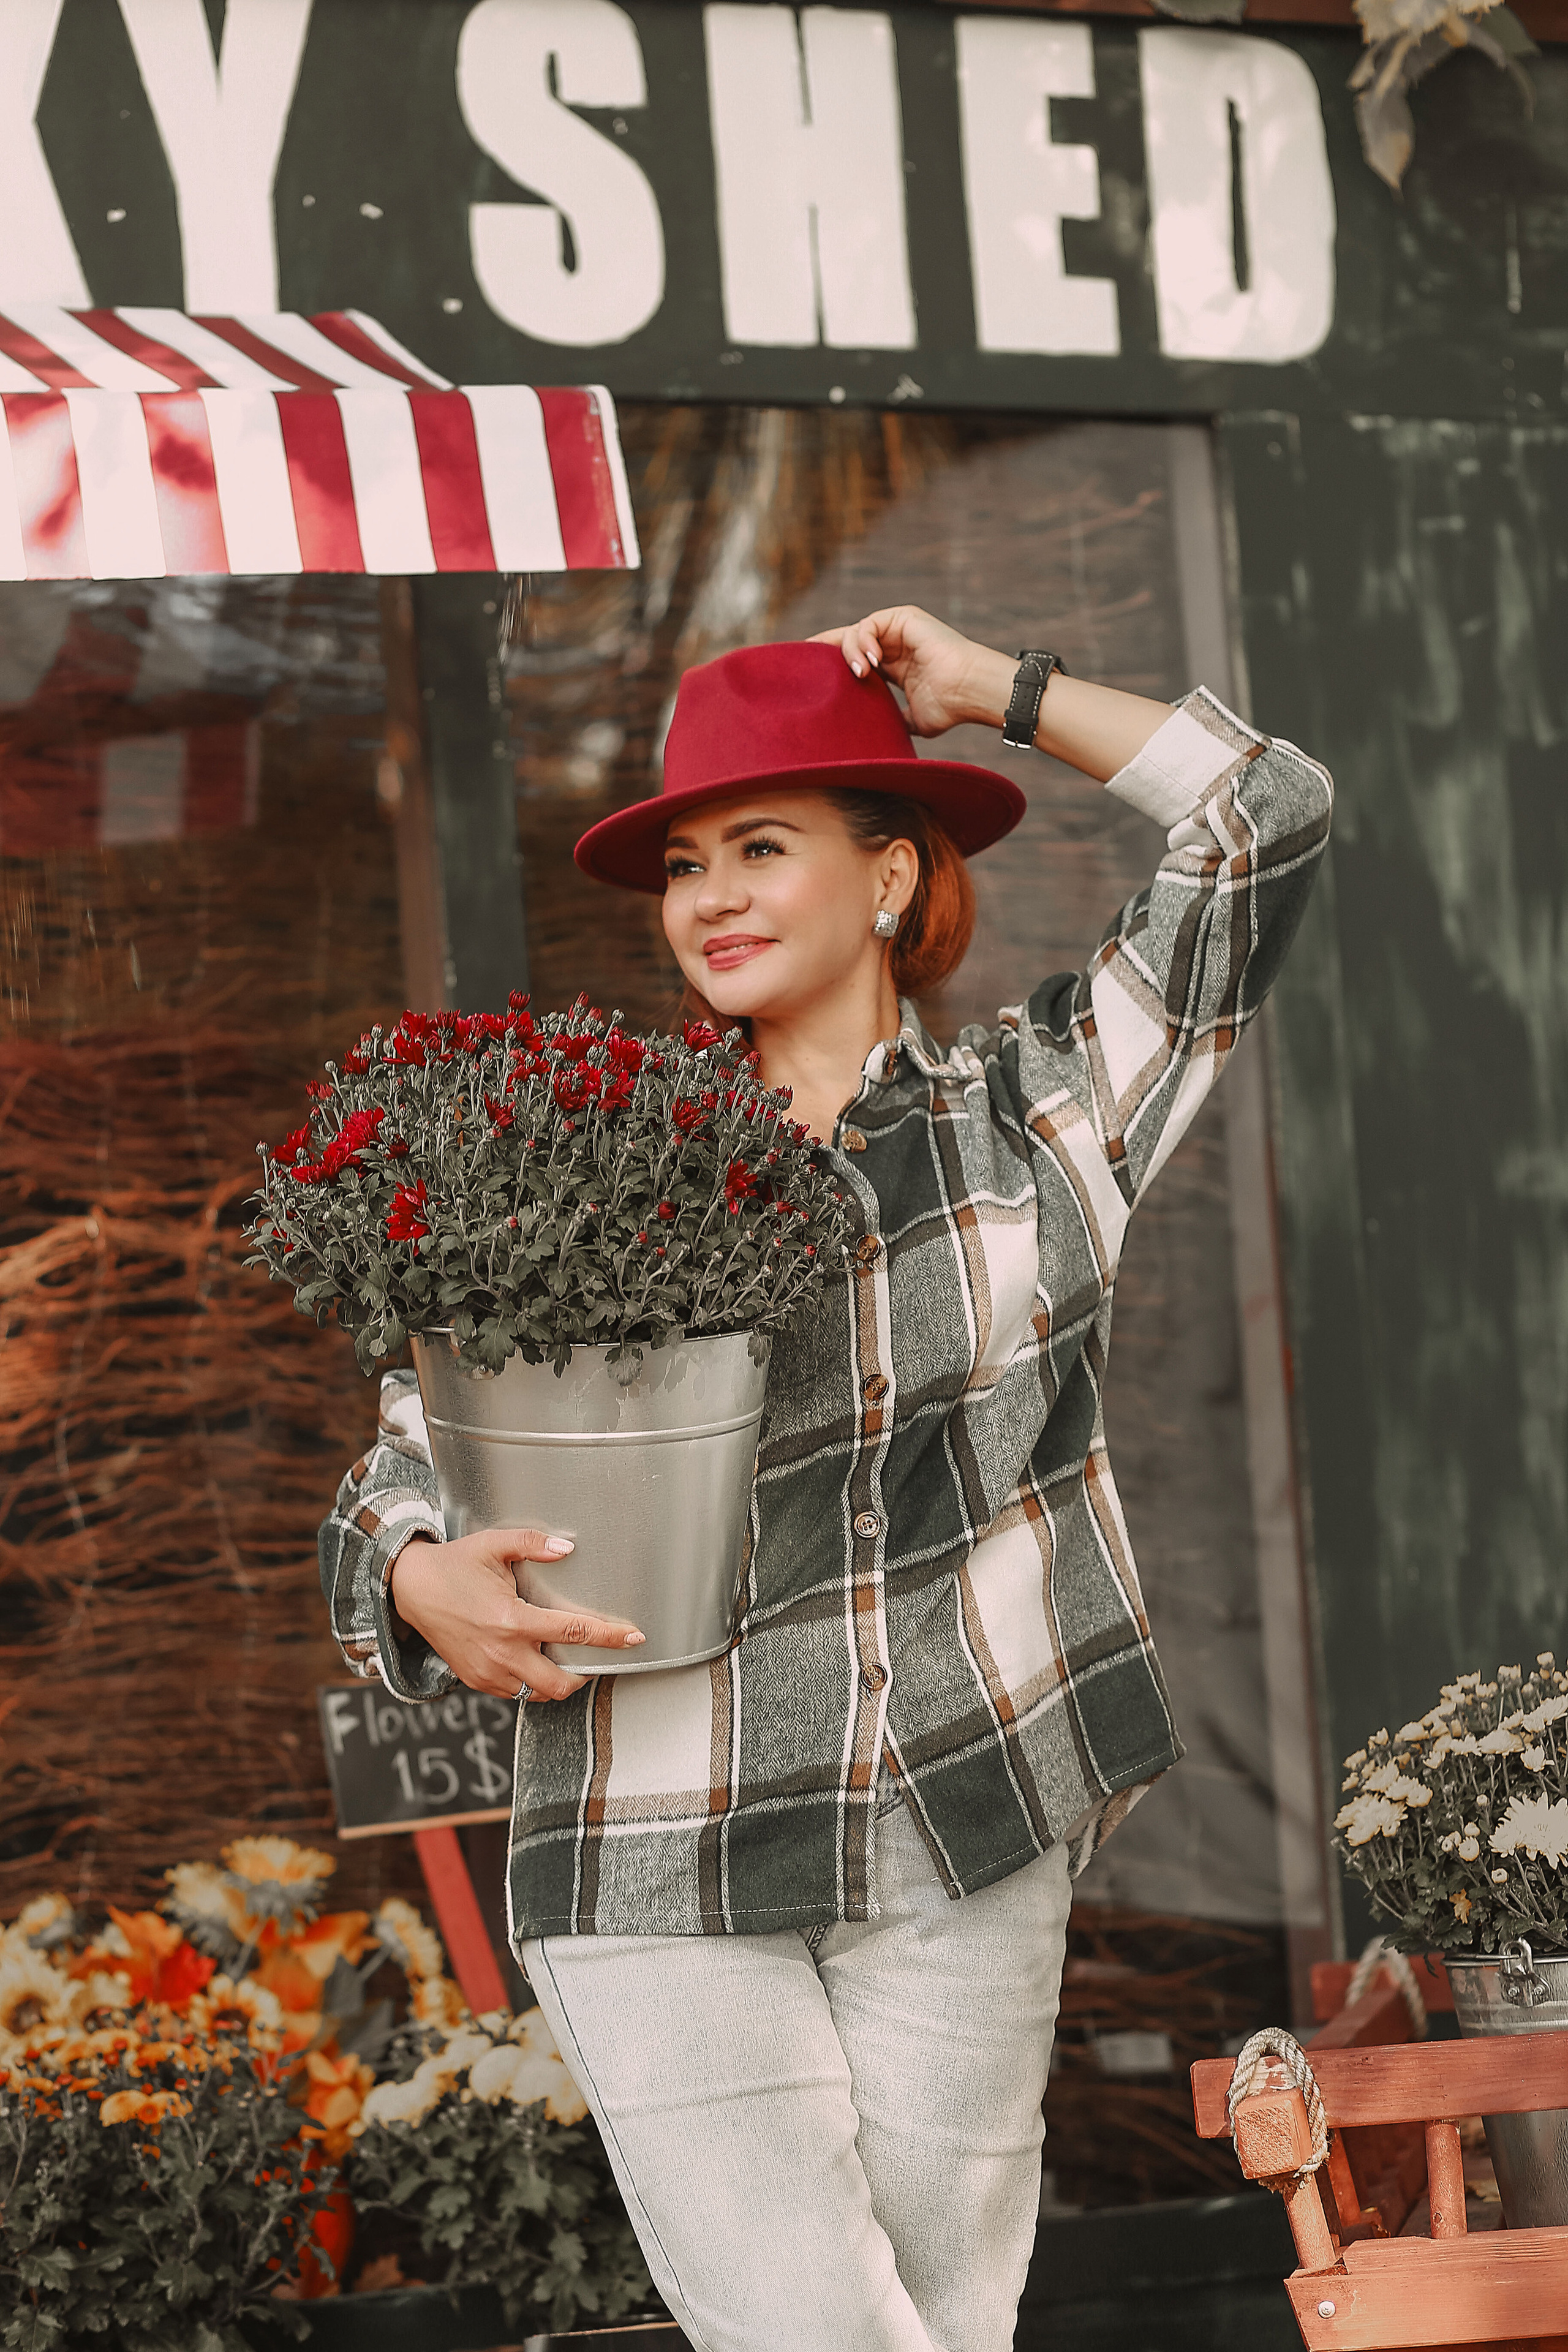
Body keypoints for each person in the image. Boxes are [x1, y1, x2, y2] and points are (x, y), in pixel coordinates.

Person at [319, 606, 1332, 2352]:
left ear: (888, 877)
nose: (709, 892)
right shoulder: (594, 1160)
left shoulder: (1041, 1114)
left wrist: (992, 694)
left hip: (969, 1821)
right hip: (658, 1838)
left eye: (762, 845)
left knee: (943, 2321)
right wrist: (417, 1577)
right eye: (687, 861)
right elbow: (405, 1462)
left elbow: (1265, 812)